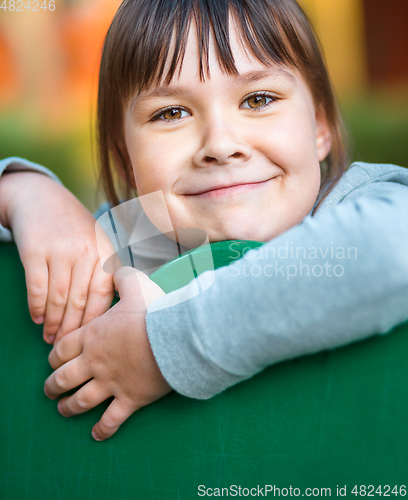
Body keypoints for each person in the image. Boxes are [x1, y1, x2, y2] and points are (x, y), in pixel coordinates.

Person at [1, 0, 408, 442]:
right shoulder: (147, 236)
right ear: (126, 158)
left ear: (320, 128)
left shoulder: (356, 202)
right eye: (171, 113)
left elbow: (391, 251)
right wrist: (26, 191)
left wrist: (162, 346)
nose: (220, 143)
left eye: (258, 99)